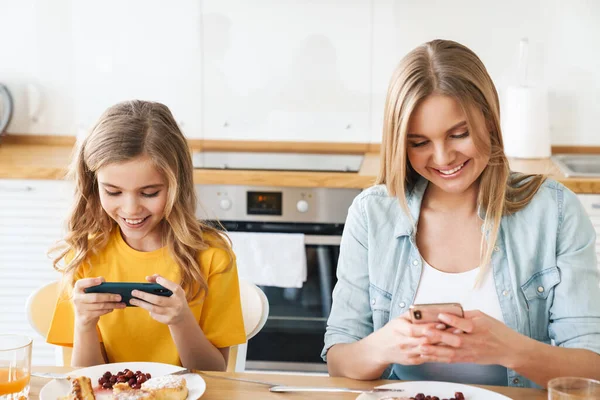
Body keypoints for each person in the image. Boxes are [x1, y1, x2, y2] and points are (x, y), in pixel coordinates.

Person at [322, 39, 600, 388]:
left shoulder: (554, 211)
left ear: (489, 119)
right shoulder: (372, 214)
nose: (442, 158)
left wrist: (509, 349)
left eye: (459, 134)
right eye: (419, 142)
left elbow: (592, 368)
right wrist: (385, 345)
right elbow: (338, 362)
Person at [47, 100, 245, 369]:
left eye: (150, 193)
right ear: (94, 185)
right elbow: (86, 379)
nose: (130, 209)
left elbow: (215, 374)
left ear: (177, 184)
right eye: (113, 192)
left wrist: (180, 320)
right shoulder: (83, 255)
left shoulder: (213, 257)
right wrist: (84, 324)